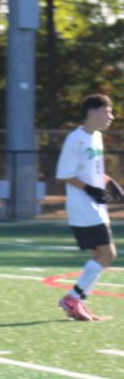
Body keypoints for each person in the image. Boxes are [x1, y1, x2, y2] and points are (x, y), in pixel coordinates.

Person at [55, 93, 121, 321]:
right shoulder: (76, 139)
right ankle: (73, 298)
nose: (110, 117)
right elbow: (64, 174)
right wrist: (89, 189)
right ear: (92, 113)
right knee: (108, 252)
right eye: (106, 112)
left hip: (94, 205)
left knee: (101, 252)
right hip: (82, 206)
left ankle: (78, 302)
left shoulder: (96, 137)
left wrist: (108, 182)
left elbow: (92, 170)